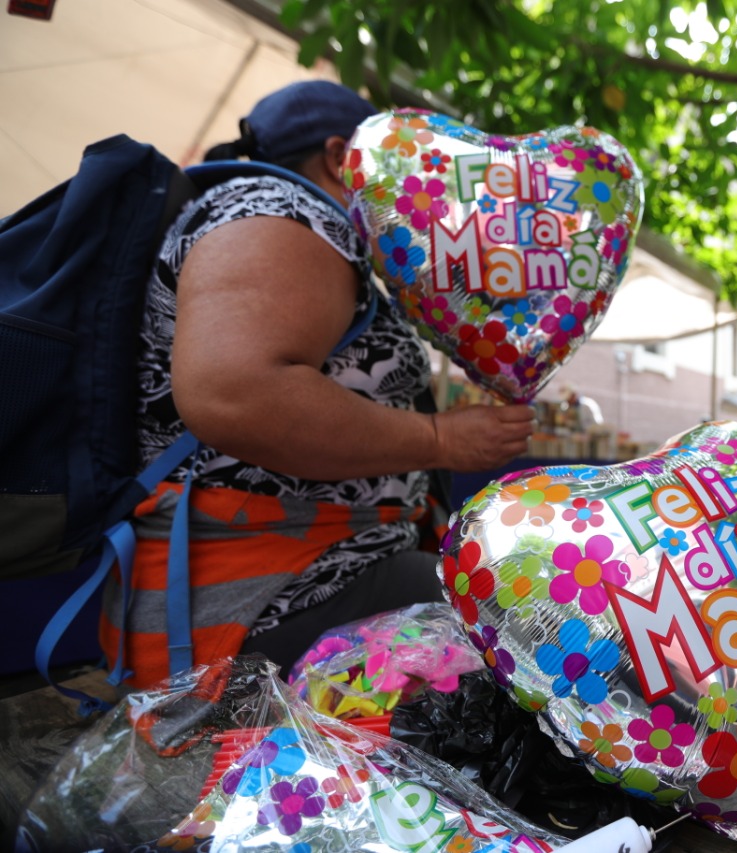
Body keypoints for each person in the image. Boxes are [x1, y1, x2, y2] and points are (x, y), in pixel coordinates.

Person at [100, 80, 535, 688]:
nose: (409, 194)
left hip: (284, 582)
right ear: (339, 158)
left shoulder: (271, 213)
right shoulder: (283, 212)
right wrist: (437, 439)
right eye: (394, 168)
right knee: (546, 627)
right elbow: (236, 390)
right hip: (265, 598)